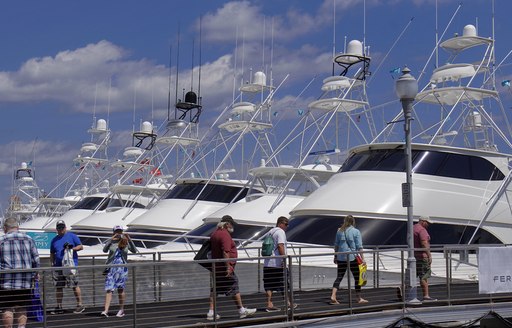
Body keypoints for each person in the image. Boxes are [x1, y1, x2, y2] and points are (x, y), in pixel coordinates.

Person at [206, 215, 256, 321]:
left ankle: (211, 312)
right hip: (224, 267)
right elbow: (225, 251)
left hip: (216, 267)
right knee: (234, 284)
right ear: (227, 224)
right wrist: (228, 267)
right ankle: (242, 311)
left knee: (215, 288)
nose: (233, 227)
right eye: (232, 224)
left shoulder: (215, 233)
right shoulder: (225, 235)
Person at [0, 217, 40, 328]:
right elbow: (36, 259)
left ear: (5, 228)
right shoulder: (29, 239)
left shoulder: (2, 240)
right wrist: (36, 274)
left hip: (6, 282)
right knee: (21, 307)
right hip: (25, 281)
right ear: (17, 227)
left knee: (7, 308)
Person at [101, 226, 138, 317]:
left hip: (122, 269)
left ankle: (121, 310)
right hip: (111, 269)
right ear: (113, 232)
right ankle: (105, 311)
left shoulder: (125, 242)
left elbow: (134, 251)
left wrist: (129, 239)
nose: (118, 233)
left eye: (120, 232)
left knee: (120, 289)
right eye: (117, 232)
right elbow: (104, 250)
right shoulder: (112, 242)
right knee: (109, 289)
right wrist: (111, 239)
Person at [49, 220, 85, 314]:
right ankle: (59, 307)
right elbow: (52, 252)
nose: (61, 229)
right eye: (59, 227)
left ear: (65, 227)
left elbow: (81, 246)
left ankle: (80, 305)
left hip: (71, 266)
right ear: (56, 229)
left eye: (62, 227)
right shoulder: (54, 240)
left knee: (74, 285)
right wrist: (52, 263)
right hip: (58, 266)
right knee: (59, 286)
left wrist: (71, 248)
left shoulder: (72, 236)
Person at [330, 215, 368, 304]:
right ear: (353, 222)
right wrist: (363, 259)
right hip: (352, 257)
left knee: (339, 276)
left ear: (344, 221)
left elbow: (336, 245)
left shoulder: (339, 231)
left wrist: (335, 256)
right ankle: (358, 298)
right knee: (357, 277)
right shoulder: (356, 231)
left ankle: (333, 295)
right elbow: (359, 246)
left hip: (341, 257)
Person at [263, 216, 295, 312]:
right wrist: (283, 260)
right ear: (280, 223)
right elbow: (280, 246)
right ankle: (288, 303)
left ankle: (269, 304)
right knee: (284, 283)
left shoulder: (270, 232)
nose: (287, 226)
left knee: (269, 284)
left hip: (268, 263)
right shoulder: (280, 232)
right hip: (277, 264)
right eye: (286, 224)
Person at [414, 215, 436, 301]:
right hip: (422, 257)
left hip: (414, 256)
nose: (428, 225)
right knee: (424, 276)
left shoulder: (413, 228)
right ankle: (426, 296)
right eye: (427, 223)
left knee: (412, 275)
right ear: (423, 221)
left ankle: (402, 288)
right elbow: (424, 243)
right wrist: (429, 255)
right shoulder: (422, 230)